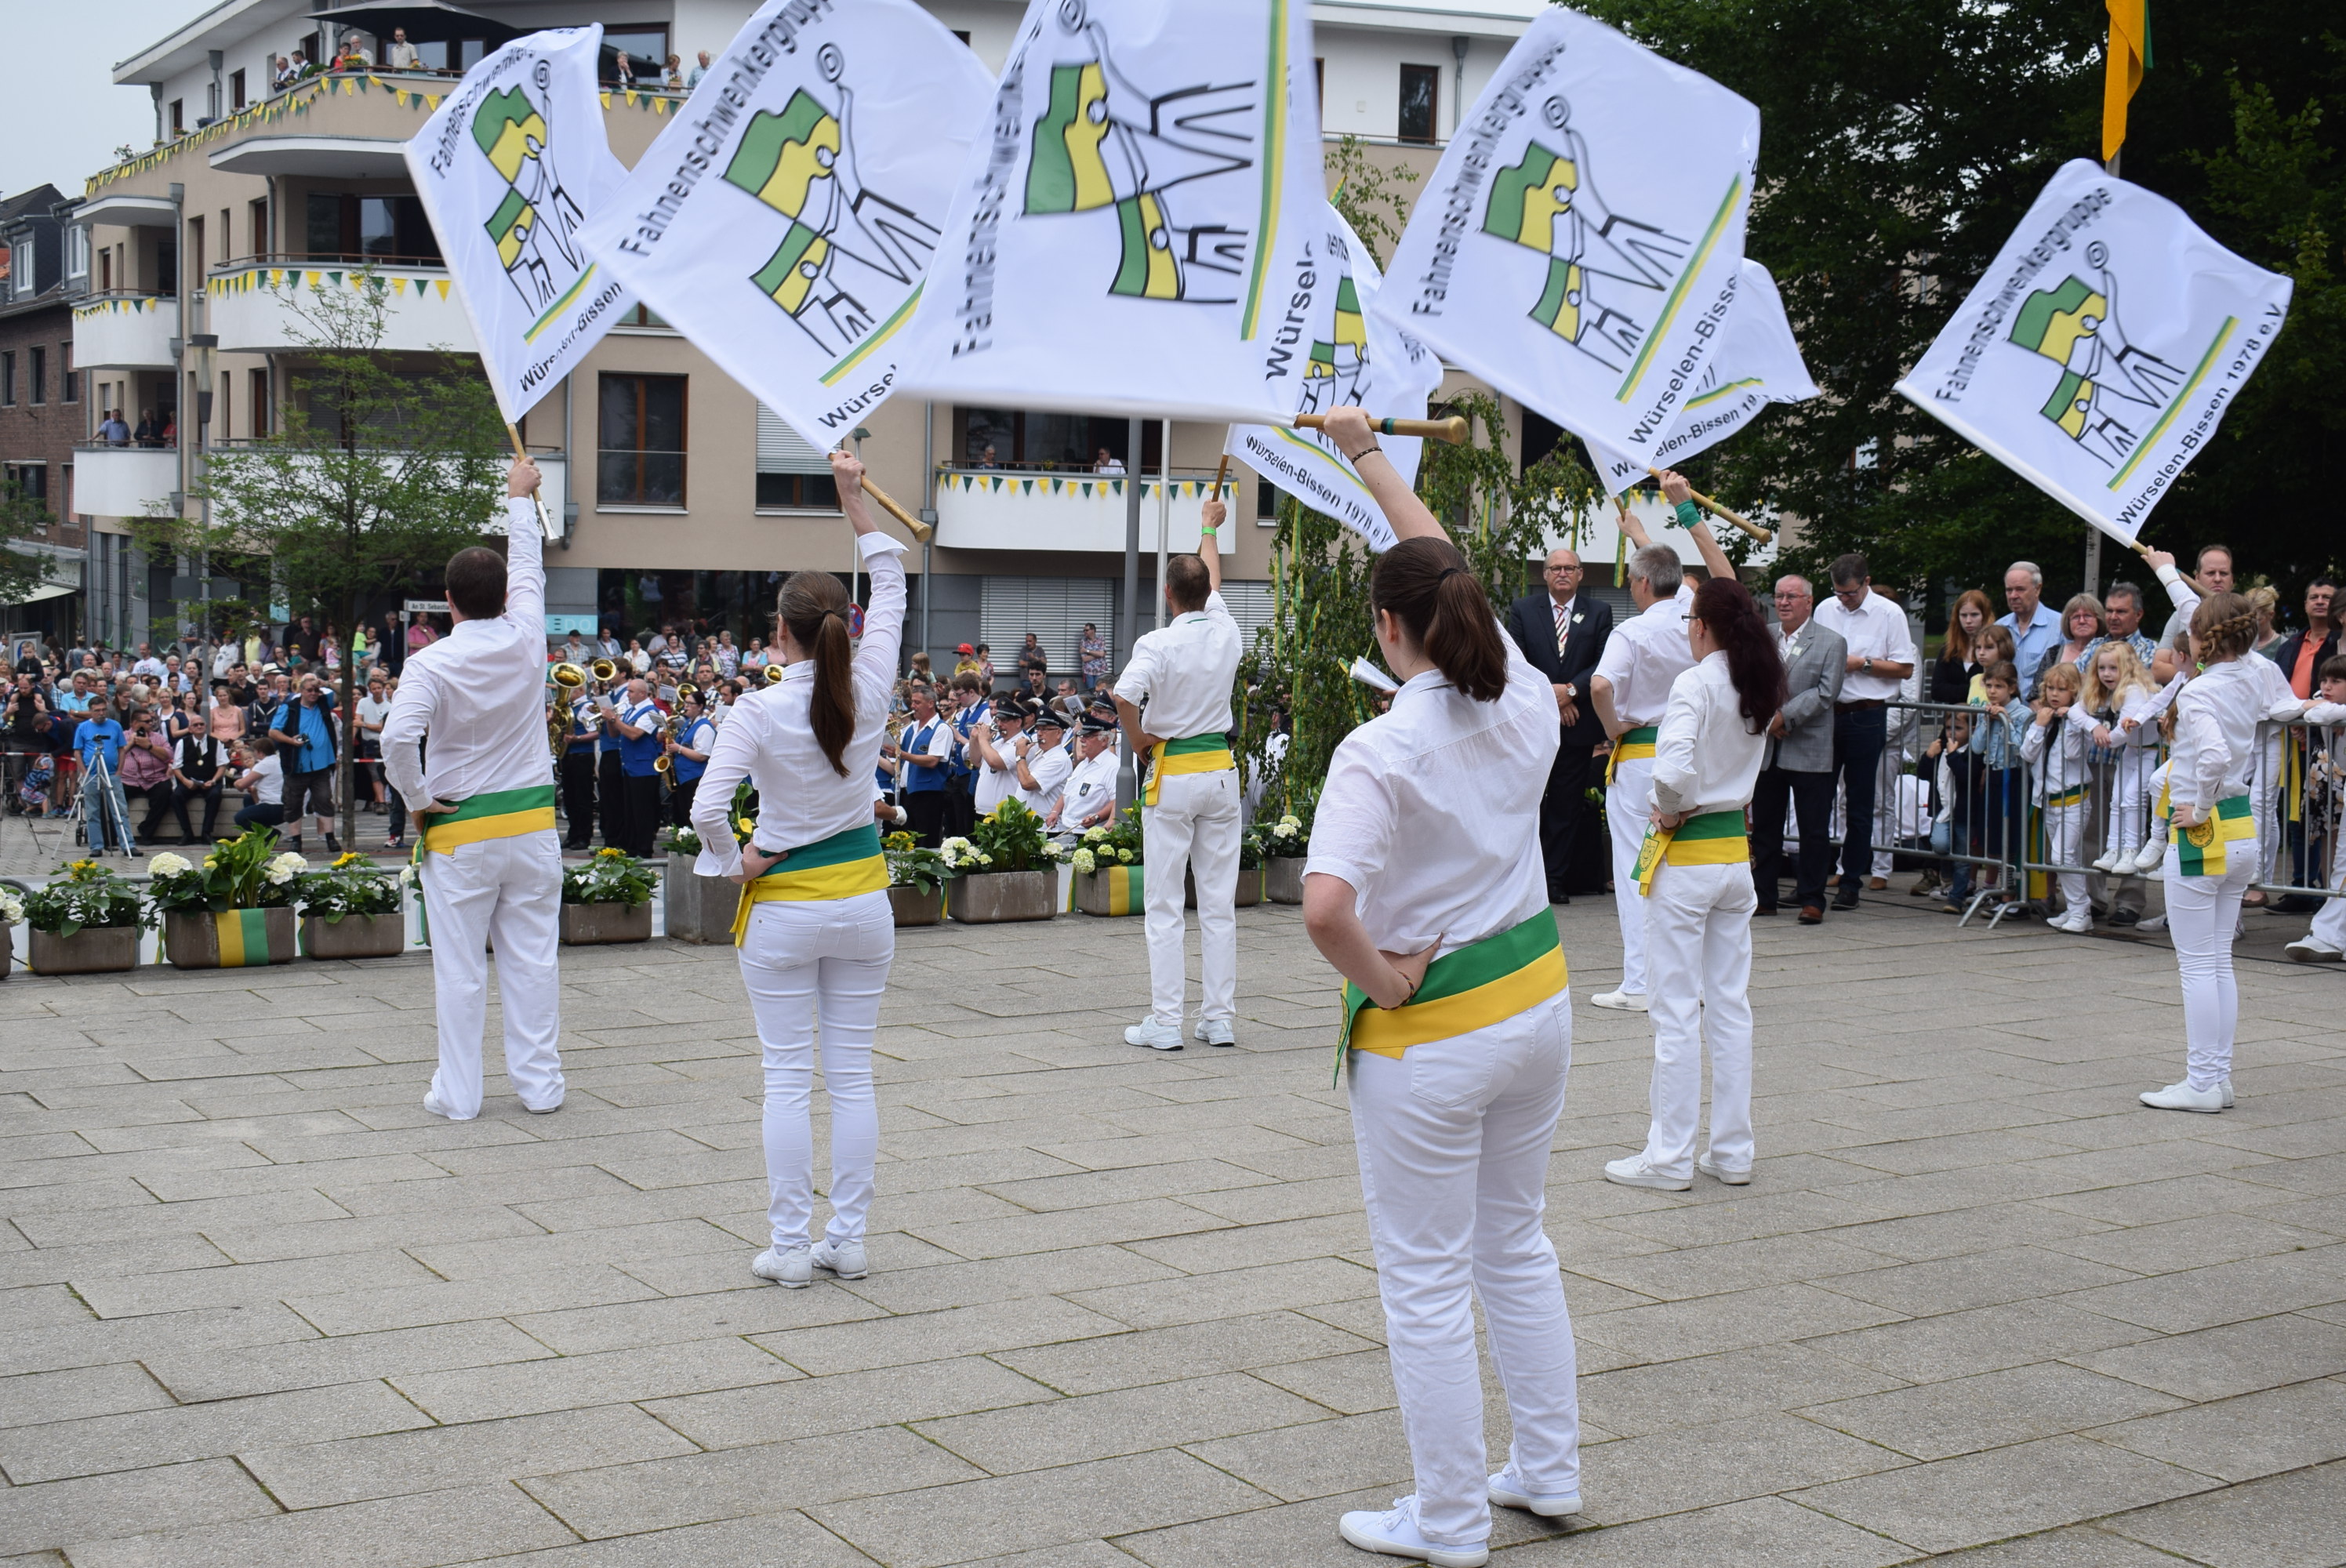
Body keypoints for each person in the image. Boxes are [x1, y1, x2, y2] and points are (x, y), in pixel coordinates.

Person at [1299, 407, 1580, 1567]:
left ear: (1388, 627)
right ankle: (1549, 1472)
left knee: (1422, 1279)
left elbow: (1324, 906)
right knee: (1516, 1243)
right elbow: (1442, 555)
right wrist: (1368, 451)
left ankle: (1453, 1520)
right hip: (1536, 997)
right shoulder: (1517, 684)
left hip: (1436, 1028)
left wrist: (1386, 983)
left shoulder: (1383, 748)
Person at [690, 450, 901, 1290]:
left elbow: (708, 806)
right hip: (863, 901)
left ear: (779, 632)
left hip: (781, 906)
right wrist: (853, 498)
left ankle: (788, 1247)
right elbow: (892, 579)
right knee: (850, 1074)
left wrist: (730, 859)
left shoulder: (756, 707)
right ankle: (846, 1237)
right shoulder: (876, 682)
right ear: (843, 624)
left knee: (786, 1077)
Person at [380, 457, 566, 1123]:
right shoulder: (526, 639)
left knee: (460, 971)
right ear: (503, 598)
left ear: (448, 602)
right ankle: (541, 1088)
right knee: (533, 964)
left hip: (459, 833)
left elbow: (397, 740)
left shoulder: (430, 660)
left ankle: (459, 1097)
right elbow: (529, 567)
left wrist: (417, 798)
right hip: (533, 828)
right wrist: (520, 498)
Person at [1605, 573, 1785, 1192]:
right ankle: (1732, 1151)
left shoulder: (1698, 681)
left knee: (1675, 1010)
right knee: (1730, 1006)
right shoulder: (1757, 678)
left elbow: (1673, 768)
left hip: (1686, 857)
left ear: (1701, 626)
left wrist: (1673, 806)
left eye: (1689, 622)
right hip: (1734, 853)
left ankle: (1670, 1156)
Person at [1588, 479, 1729, 1011]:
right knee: (1681, 867)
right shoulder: (1694, 609)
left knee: (1637, 869)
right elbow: (1680, 570)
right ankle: (1687, 980)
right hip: (1693, 755)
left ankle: (1644, 981)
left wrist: (1614, 726)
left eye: (1632, 580)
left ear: (1642, 585)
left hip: (1644, 757)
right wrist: (1641, 531)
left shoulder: (1632, 633)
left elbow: (1601, 687)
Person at [1113, 495, 1244, 1051]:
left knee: (1165, 903)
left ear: (1168, 594)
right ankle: (1219, 1018)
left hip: (1172, 772)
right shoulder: (1227, 630)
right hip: (1219, 770)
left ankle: (1166, 1021)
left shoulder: (1158, 642)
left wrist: (1139, 739)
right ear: (1207, 596)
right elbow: (1209, 582)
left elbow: (1122, 695)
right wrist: (1208, 528)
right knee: (1218, 904)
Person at [2142, 593, 2272, 1112]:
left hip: (2205, 829)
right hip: (2241, 826)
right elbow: (2203, 607)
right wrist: (2165, 570)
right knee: (2218, 961)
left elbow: (2214, 754)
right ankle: (2216, 1078)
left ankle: (2202, 1083)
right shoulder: (2253, 675)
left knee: (2197, 965)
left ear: (2202, 639)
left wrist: (2197, 806)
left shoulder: (2197, 693)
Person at [1502, 546, 1613, 905]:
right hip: (1534, 724)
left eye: (1569, 568)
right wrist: (1553, 698)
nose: (1562, 573)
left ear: (1581, 574)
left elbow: (1603, 661)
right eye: (1555, 568)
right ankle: (1522, 880)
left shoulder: (1599, 612)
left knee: (1566, 805)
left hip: (1578, 724)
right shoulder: (1522, 610)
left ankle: (1553, 880)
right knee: (1529, 803)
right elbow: (1516, 661)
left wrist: (1571, 691)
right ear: (1545, 575)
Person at [1809, 553, 1917, 909]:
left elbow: (1904, 668)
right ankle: (1813, 880)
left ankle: (1852, 881)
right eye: (1839, 592)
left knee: (1859, 804)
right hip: (1828, 712)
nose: (1844, 599)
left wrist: (1863, 664)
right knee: (1818, 799)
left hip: (1866, 714)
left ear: (1866, 583)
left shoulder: (1889, 614)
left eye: (1851, 593)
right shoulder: (1825, 609)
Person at [1752, 575, 1846, 922]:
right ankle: (1764, 896)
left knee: (1813, 829)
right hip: (1768, 750)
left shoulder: (1831, 641)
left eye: (1792, 596)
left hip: (1809, 746)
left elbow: (1825, 692)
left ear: (1809, 601)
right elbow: (1751, 681)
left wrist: (1783, 718)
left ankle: (1812, 898)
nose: (1784, 602)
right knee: (1765, 827)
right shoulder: (1765, 635)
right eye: (1778, 596)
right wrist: (1766, 718)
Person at [2282, 655, 2346, 962]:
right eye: (2324, 680)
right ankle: (2328, 935)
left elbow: (2316, 715)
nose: (2327, 686)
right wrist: (2317, 706)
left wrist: (2322, 710)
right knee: (2343, 864)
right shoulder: (2327, 705)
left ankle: (2330, 934)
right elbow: (2284, 708)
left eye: (2336, 681)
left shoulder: (2332, 710)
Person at [2024, 662, 2095, 931]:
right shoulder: (2043, 718)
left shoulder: (2078, 721)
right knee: (2064, 858)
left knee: (2062, 857)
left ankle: (2081, 912)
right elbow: (2027, 754)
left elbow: (2073, 753)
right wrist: (2040, 726)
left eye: (2062, 689)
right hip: (2049, 801)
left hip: (2073, 800)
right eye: (2051, 688)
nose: (2054, 694)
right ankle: (2077, 909)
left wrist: (2074, 716)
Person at [265, 673, 340, 855]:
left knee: (324, 800)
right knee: (294, 803)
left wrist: (325, 683)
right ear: (301, 691)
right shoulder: (289, 708)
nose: (314, 694)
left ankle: (330, 838)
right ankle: (296, 840)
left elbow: (341, 692)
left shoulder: (324, 703)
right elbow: (273, 732)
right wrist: (291, 741)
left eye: (316, 690)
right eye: (310, 690)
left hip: (322, 765)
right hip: (296, 765)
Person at [884, 683, 951, 844]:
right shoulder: (912, 727)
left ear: (930, 703)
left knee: (926, 839)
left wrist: (901, 754)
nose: (913, 706)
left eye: (917, 702)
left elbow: (932, 761)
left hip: (928, 793)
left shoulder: (941, 729)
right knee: (909, 839)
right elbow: (896, 745)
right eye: (912, 702)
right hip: (909, 791)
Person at [608, 677, 665, 858]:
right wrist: (610, 721)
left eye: (631, 691)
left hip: (644, 768)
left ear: (642, 693)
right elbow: (615, 733)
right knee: (630, 810)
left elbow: (634, 734)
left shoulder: (651, 712)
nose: (628, 694)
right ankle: (631, 846)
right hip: (630, 766)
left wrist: (614, 719)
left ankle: (644, 848)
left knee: (643, 811)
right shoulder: (631, 710)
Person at [1996, 561, 2061, 686]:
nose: (2013, 596)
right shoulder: (1998, 628)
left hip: (2042, 705)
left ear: (2037, 589)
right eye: (2009, 590)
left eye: (2020, 589)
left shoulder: (2060, 627)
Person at [167, 710, 229, 842]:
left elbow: (222, 766)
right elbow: (176, 767)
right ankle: (187, 832)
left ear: (206, 726)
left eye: (201, 724)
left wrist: (213, 780)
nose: (199, 727)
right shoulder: (182, 743)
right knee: (176, 797)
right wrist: (185, 781)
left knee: (215, 795)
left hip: (210, 781)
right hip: (189, 782)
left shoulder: (216, 742)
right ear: (190, 728)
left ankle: (206, 833)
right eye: (195, 725)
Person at [118, 707, 176, 842]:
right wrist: (131, 743)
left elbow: (169, 756)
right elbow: (115, 757)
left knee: (165, 792)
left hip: (154, 778)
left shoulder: (158, 738)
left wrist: (149, 746)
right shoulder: (122, 736)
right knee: (115, 797)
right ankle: (118, 835)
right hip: (128, 779)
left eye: (152, 721)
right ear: (135, 723)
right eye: (147, 721)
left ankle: (146, 831)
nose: (151, 724)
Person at [2032, 593, 2104, 695]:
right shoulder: (2053, 654)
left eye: (2088, 616)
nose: (2082, 621)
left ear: (2099, 620)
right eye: (2076, 617)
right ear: (2068, 622)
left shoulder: (2108, 652)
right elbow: (2035, 695)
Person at [1059, 711, 1120, 831]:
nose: (1082, 740)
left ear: (1104, 740)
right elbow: (1066, 793)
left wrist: (1097, 817)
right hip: (1067, 828)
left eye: (1088, 736)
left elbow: (1117, 800)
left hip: (1088, 833)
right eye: (1082, 735)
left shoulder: (1113, 765)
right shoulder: (1084, 764)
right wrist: (1055, 812)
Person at [560, 682, 601, 851]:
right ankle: (573, 833)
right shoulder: (568, 707)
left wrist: (576, 739)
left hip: (582, 755)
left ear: (581, 690)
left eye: (570, 689)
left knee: (582, 797)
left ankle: (584, 835)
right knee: (570, 797)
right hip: (568, 755)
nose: (567, 693)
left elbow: (596, 731)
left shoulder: (588, 706)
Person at [665, 689, 714, 826]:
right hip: (683, 777)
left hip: (694, 777)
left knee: (689, 814)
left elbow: (702, 756)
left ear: (700, 706)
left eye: (690, 704)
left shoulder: (704, 728)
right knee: (680, 813)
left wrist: (678, 749)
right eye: (685, 703)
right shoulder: (688, 723)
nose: (686, 706)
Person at [1016, 708, 1073, 819]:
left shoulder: (1059, 759)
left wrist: (1020, 756)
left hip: (1043, 827)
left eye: (1045, 729)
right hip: (1031, 825)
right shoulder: (1043, 754)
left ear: (1058, 733)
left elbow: (1027, 783)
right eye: (1038, 729)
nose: (1039, 734)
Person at [229, 743, 284, 833]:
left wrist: (236, 783)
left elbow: (241, 785)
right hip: (282, 801)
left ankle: (271, 834)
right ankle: (260, 833)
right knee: (248, 799)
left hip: (275, 805)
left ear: (260, 753)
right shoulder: (277, 761)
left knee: (240, 818)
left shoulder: (263, 764)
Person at [1079, 622, 1110, 691]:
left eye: (1087, 630)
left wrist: (1087, 651)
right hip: (1088, 671)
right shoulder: (1083, 641)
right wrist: (1098, 655)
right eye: (1084, 630)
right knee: (1090, 691)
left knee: (1099, 690)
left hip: (1100, 670)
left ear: (1093, 630)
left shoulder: (1101, 639)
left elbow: (1102, 654)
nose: (1085, 632)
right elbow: (1084, 659)